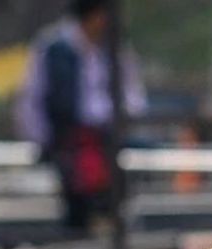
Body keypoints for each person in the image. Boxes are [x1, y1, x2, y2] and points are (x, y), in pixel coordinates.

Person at [16, 0, 147, 234]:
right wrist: (44, 142)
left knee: (117, 195)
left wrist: (118, 119)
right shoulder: (53, 48)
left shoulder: (115, 48)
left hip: (108, 141)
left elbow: (133, 97)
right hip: (69, 142)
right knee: (77, 205)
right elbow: (32, 99)